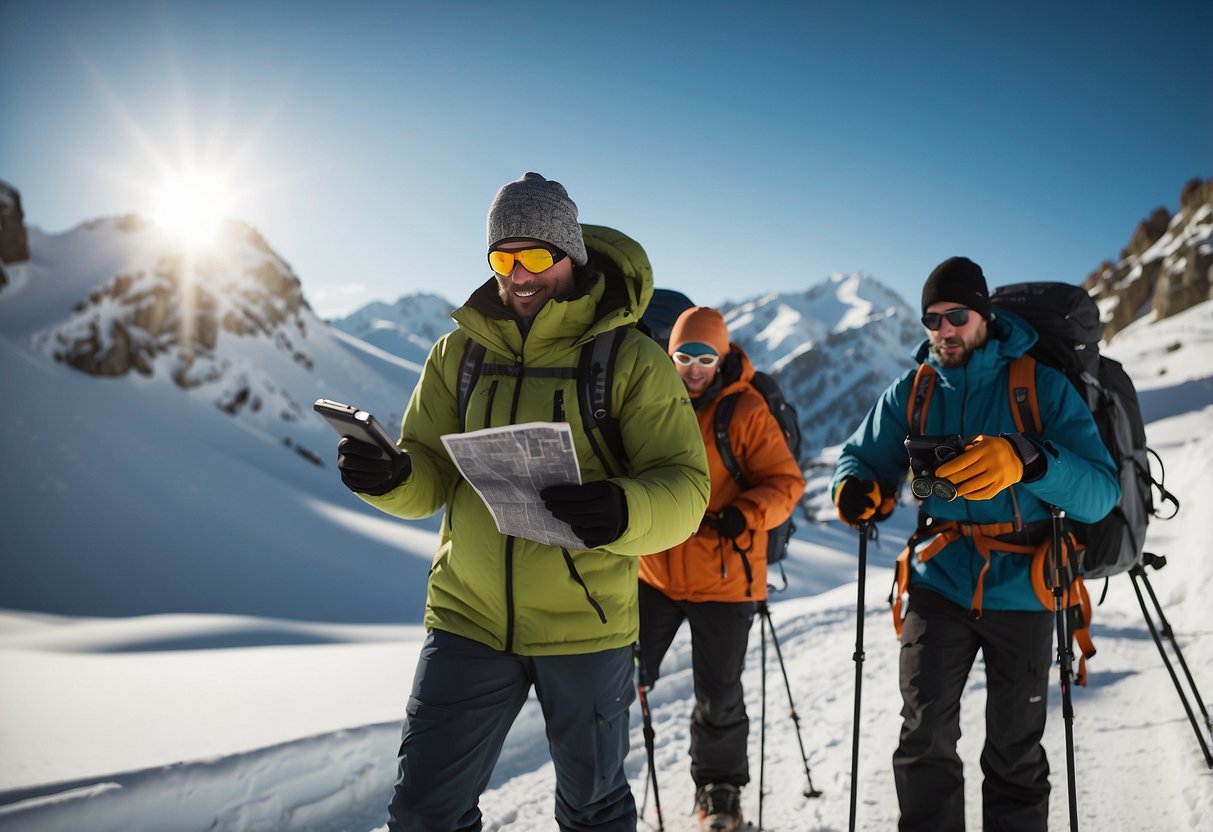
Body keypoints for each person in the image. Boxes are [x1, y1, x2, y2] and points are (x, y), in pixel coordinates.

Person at [334, 172, 711, 831]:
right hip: (468, 617)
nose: (519, 274)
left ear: (571, 255)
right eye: (502, 257)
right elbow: (430, 475)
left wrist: (624, 509)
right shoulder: (459, 353)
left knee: (592, 808)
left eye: (535, 254)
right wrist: (389, 476)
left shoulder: (629, 359)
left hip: (585, 624)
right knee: (423, 812)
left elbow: (685, 487)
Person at [830, 256, 1119, 831]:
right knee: (923, 735)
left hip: (1026, 583)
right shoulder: (911, 391)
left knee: (1014, 748)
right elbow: (860, 456)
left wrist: (1029, 460)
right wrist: (854, 487)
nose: (944, 331)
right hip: (939, 581)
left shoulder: (1039, 386)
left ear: (982, 315)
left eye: (956, 316)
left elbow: (1099, 492)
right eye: (931, 320)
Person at [636, 306, 806, 832]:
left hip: (726, 578)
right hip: (655, 573)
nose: (693, 367)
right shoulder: (647, 400)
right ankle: (597, 783)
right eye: (684, 355)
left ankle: (720, 790)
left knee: (719, 693)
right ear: (671, 354)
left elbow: (786, 483)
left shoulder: (747, 411)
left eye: (706, 357)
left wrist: (746, 513)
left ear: (724, 357)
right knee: (622, 679)